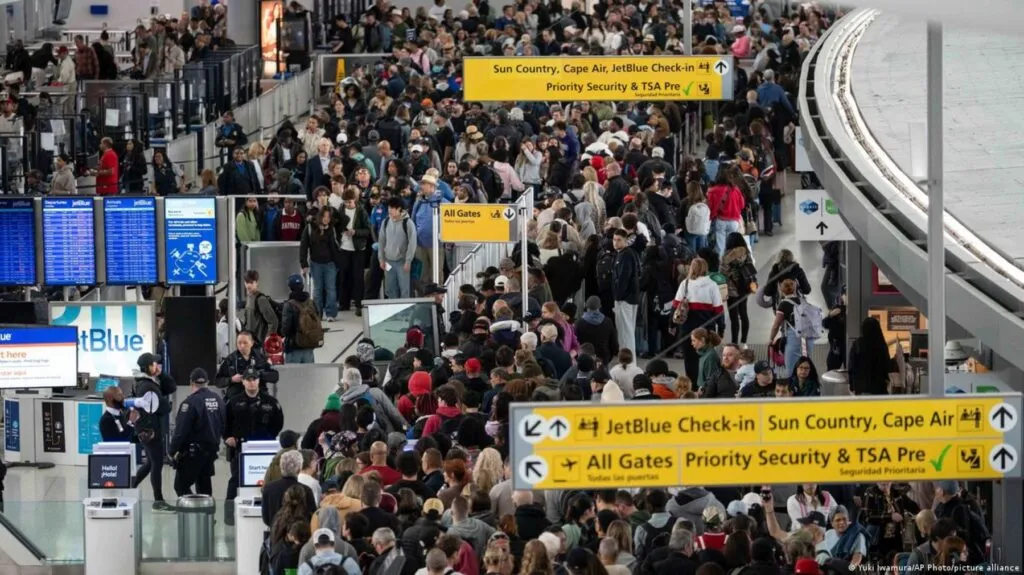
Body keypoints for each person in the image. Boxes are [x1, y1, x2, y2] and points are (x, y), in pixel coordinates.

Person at [223, 368, 285, 501]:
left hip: (264, 448)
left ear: (259, 381)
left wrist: (268, 438)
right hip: (240, 448)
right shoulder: (233, 402)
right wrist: (227, 437)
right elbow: (224, 423)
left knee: (266, 479)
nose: (252, 382)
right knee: (236, 481)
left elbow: (278, 423)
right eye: (248, 379)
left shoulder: (271, 402)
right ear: (243, 382)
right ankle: (229, 516)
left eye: (254, 379)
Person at [127, 352, 175, 512]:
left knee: (150, 462)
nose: (157, 366)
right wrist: (167, 405)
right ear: (146, 367)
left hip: (148, 429)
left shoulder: (146, 381)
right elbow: (163, 407)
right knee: (157, 463)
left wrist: (162, 374)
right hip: (151, 431)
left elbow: (171, 387)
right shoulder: (147, 385)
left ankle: (131, 484)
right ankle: (158, 500)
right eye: (154, 364)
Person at [169, 368, 225, 497]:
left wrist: (172, 451)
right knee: (204, 486)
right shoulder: (218, 400)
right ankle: (207, 516)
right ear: (207, 382)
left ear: (191, 383)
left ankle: (193, 513)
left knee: (181, 486)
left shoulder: (190, 403)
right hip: (211, 451)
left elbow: (180, 431)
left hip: (192, 453)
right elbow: (223, 425)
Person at [301, 205, 340, 321]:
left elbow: (335, 247)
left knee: (331, 289)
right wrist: (304, 264)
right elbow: (303, 247)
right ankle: (317, 314)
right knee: (317, 290)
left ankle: (330, 314)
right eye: (324, 216)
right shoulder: (309, 228)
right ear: (320, 216)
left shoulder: (332, 229)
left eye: (329, 217)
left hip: (330, 263)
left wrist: (338, 263)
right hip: (315, 263)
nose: (326, 219)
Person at [215, 330, 279, 399]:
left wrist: (258, 375)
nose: (242, 346)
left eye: (245, 343)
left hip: (259, 397)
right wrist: (232, 379)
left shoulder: (260, 358)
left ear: (252, 343)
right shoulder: (230, 359)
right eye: (239, 343)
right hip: (236, 398)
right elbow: (218, 381)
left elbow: (274, 376)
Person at [262, 450, 317, 527]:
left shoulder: (269, 488)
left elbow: (266, 518)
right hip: (300, 536)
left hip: (275, 534)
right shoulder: (306, 490)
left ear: (281, 467)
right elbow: (312, 517)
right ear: (299, 469)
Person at [378, 197, 418, 299]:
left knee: (404, 289)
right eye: (389, 208)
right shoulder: (386, 222)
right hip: (388, 261)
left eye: (392, 208)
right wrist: (381, 259)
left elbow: (412, 243)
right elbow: (381, 242)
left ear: (399, 209)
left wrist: (408, 261)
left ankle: (405, 313)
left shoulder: (408, 223)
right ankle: (393, 312)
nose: (389, 211)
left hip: (402, 262)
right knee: (389, 289)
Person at [610, 229, 641, 356]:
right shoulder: (625, 254)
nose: (616, 243)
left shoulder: (626, 255)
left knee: (626, 332)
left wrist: (618, 297)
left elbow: (623, 278)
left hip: (625, 299)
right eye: (614, 239)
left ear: (626, 241)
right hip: (628, 298)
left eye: (619, 240)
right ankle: (627, 359)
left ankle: (628, 361)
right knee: (626, 331)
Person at [282, 273, 322, 363]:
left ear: (290, 287)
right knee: (309, 375)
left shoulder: (289, 305)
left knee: (293, 376)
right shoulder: (311, 303)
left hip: (294, 347)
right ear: (302, 286)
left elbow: (286, 329)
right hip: (309, 346)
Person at [848, 316, 892, 395]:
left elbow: (851, 366)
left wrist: (852, 386)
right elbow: (887, 366)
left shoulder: (857, 344)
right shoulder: (881, 344)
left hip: (861, 389)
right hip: (879, 388)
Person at [243, 270, 280, 346]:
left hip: (259, 344)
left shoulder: (261, 299)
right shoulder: (249, 298)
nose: (248, 285)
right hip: (251, 342)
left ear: (256, 282)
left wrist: (267, 340)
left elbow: (273, 321)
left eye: (251, 282)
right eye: (246, 282)